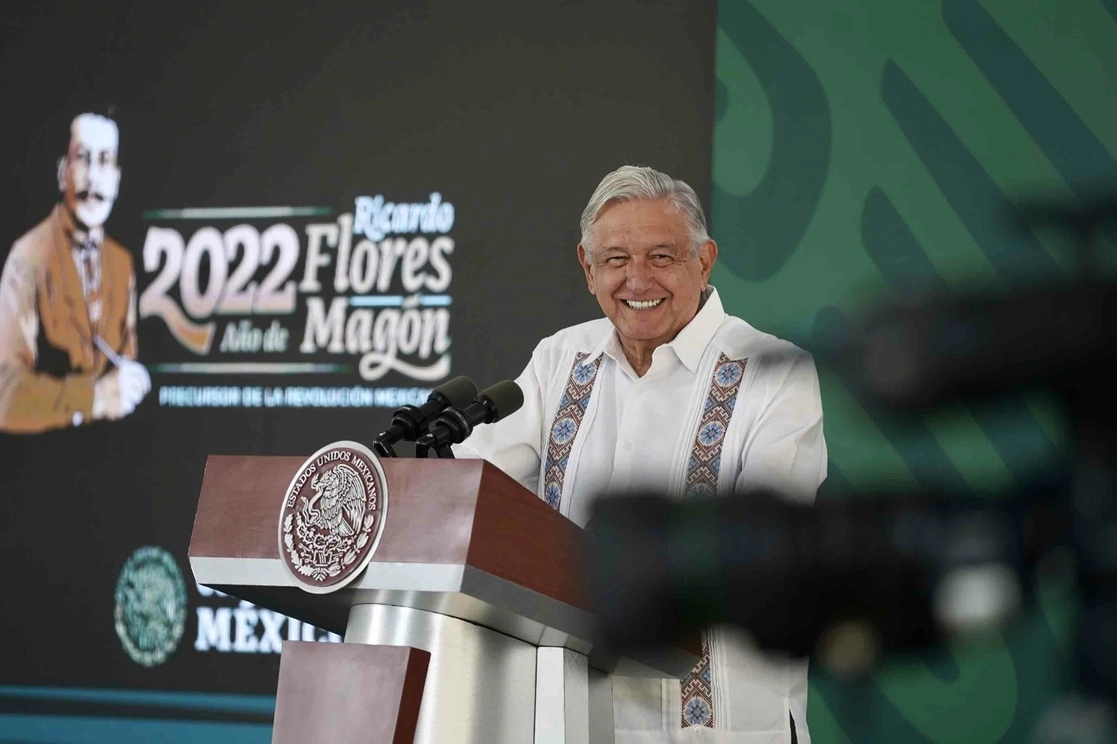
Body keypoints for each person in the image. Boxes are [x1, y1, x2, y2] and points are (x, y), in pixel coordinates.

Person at [455, 165, 827, 743]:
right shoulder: (560, 359)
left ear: (704, 261)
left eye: (661, 257)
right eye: (616, 260)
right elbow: (472, 491)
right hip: (573, 722)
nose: (637, 279)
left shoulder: (773, 372)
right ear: (587, 268)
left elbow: (766, 542)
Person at [0, 113, 150, 434]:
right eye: (82, 159)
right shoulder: (27, 257)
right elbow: (5, 394)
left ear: (117, 181)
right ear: (62, 173)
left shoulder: (122, 263)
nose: (94, 179)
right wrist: (93, 398)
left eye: (105, 161)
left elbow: (126, 360)